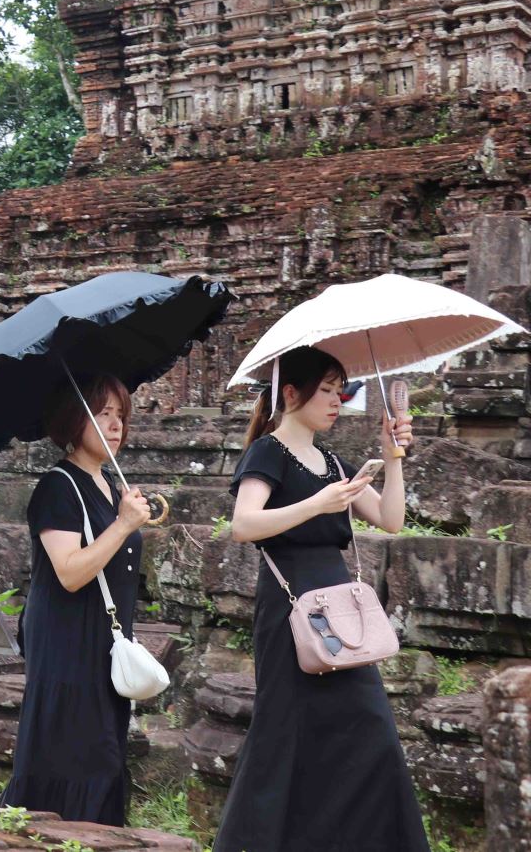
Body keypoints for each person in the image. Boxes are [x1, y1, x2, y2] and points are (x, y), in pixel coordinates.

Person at [211, 346, 426, 852]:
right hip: (290, 608)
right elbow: (244, 525)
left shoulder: (332, 460)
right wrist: (316, 503)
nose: (336, 400)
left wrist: (394, 458)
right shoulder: (267, 451)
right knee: (285, 735)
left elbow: (391, 520)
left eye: (339, 390)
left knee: (371, 728)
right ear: (291, 393)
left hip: (340, 607)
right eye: (326, 390)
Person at [1, 374, 150, 825]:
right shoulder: (58, 486)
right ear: (73, 419)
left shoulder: (108, 483)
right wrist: (123, 525)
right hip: (68, 639)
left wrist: (123, 517)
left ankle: (99, 830)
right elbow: (69, 572)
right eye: (103, 414)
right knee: (70, 746)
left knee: (103, 745)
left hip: (104, 638)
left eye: (120, 416)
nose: (115, 426)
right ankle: (51, 831)